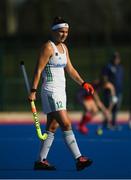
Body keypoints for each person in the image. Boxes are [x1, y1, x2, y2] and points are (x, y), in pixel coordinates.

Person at [28, 16, 94, 171]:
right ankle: (79, 158)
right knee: (66, 123)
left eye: (66, 32)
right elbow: (38, 69)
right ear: (54, 31)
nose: (64, 34)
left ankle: (41, 161)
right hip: (50, 91)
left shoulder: (64, 48)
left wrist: (83, 83)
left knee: (52, 126)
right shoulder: (48, 47)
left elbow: (70, 69)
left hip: (60, 91)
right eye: (61, 31)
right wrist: (33, 91)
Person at [102, 52, 124, 129]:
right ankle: (106, 122)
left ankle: (114, 123)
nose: (116, 60)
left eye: (117, 58)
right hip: (109, 92)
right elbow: (104, 78)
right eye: (115, 58)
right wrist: (108, 87)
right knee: (108, 107)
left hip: (119, 91)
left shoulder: (120, 68)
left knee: (116, 108)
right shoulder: (108, 66)